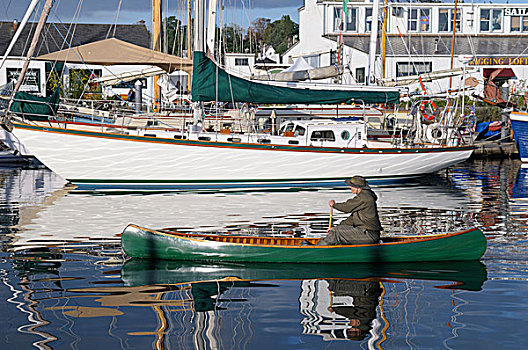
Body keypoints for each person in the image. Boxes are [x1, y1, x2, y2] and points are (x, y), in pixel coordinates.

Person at [317, 175, 382, 245]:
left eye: (352, 186)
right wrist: (336, 227)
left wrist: (334, 205)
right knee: (336, 230)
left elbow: (346, 207)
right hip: (365, 233)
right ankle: (320, 245)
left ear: (358, 188)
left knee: (337, 232)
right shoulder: (364, 197)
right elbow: (352, 219)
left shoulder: (364, 198)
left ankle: (317, 249)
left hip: (369, 235)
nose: (350, 187)